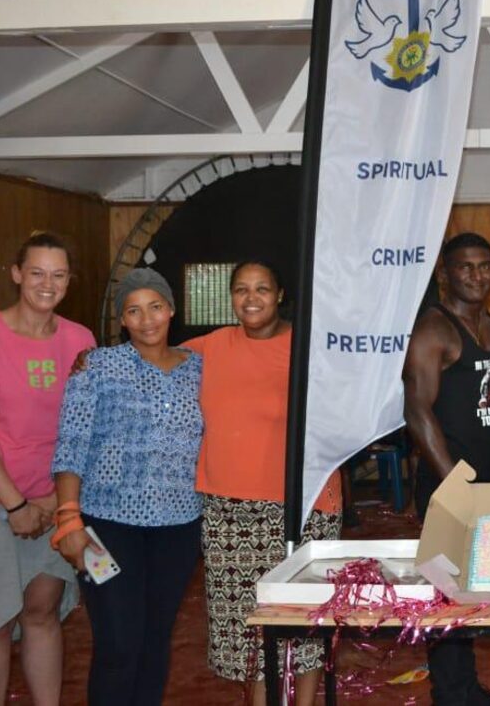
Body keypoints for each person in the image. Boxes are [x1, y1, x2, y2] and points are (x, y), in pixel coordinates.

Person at [184, 261, 341, 706]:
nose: (251, 298)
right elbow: (155, 355)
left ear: (280, 294)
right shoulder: (210, 347)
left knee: (307, 618)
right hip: (230, 514)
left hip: (304, 505)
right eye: (241, 289)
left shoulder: (310, 347)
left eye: (262, 289)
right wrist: (91, 358)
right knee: (248, 629)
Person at [51, 268, 203, 704]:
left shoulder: (200, 368)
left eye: (155, 307)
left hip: (178, 530)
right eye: (133, 311)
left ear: (171, 309)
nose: (147, 319)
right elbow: (71, 444)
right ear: (121, 320)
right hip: (105, 527)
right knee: (118, 642)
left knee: (155, 641)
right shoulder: (96, 367)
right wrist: (68, 517)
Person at [0, 232, 95, 706]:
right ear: (17, 274)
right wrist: (17, 505)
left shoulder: (81, 339)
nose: (47, 284)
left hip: (53, 500)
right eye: (37, 272)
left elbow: (86, 426)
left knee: (42, 614)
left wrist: (57, 500)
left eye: (58, 275)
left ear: (69, 281)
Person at [403, 232, 490, 705]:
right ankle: (449, 694)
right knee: (447, 593)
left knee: (474, 589)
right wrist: (457, 484)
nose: (476, 275)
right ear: (445, 274)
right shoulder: (433, 330)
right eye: (465, 266)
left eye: (484, 265)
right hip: (447, 487)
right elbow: (417, 412)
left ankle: (465, 688)